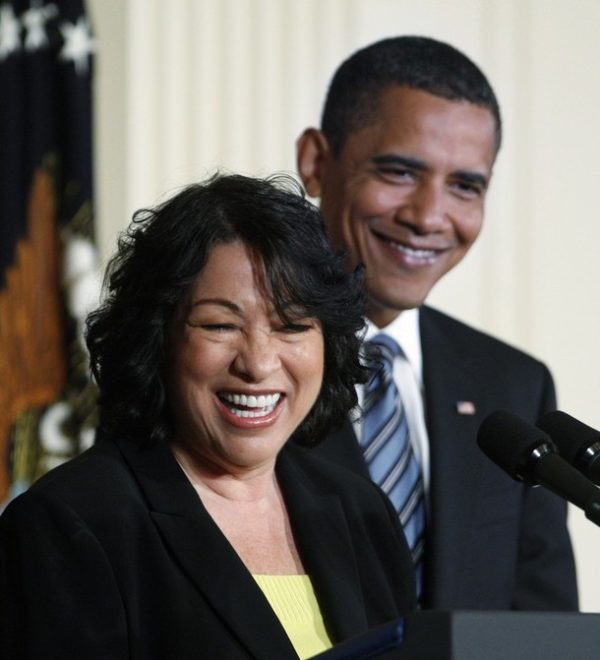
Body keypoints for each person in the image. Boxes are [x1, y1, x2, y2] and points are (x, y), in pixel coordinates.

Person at [0, 173, 416, 659]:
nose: (258, 363)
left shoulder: (364, 513)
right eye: (221, 325)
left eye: (292, 326)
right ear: (158, 337)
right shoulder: (69, 524)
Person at [296, 36, 578, 610]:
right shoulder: (227, 368)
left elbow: (544, 634)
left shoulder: (514, 387)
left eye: (465, 186)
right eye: (399, 171)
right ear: (317, 163)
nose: (429, 216)